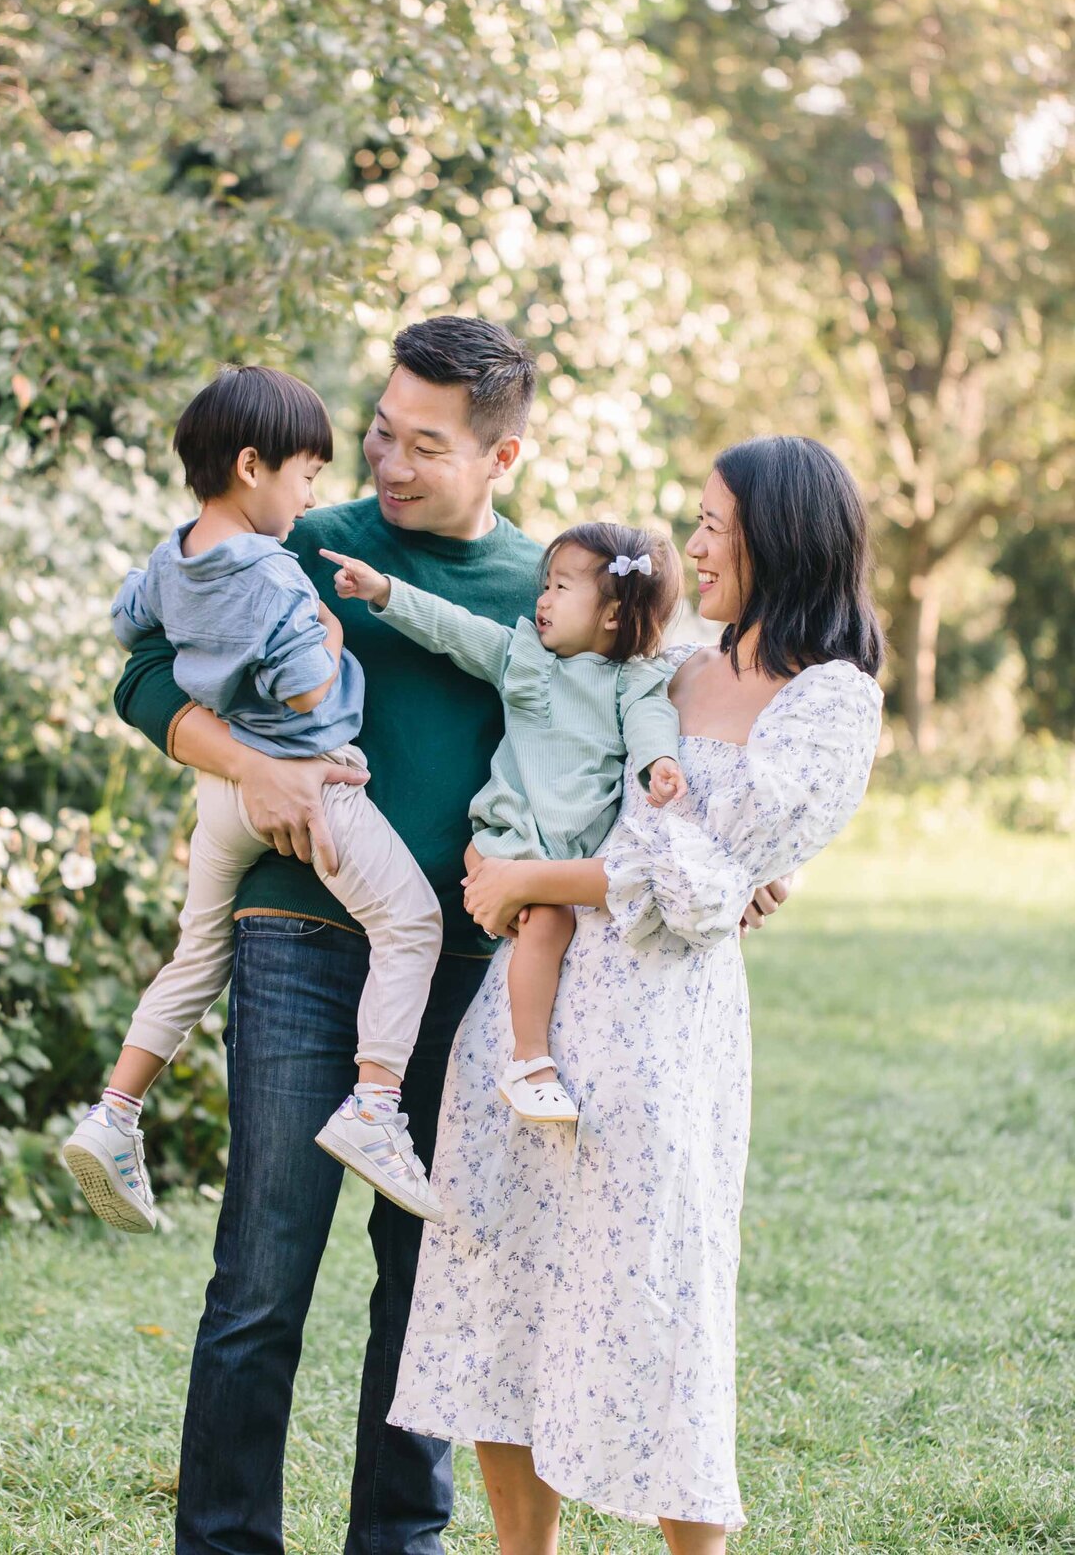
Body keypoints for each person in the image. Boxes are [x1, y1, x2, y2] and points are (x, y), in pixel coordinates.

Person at [112, 316, 787, 1555]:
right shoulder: (301, 544)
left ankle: (400, 1546)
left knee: (427, 1285)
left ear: (503, 455)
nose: (389, 462)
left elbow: (645, 756)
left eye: (425, 445)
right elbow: (144, 674)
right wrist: (248, 765)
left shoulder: (553, 595)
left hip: (475, 973)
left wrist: (728, 873)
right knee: (262, 1276)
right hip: (301, 936)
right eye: (378, 432)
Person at [388, 435, 885, 1555]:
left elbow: (698, 886)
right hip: (535, 1011)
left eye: (716, 525)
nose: (695, 545)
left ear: (781, 536)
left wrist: (541, 879)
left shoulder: (832, 702)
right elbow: (585, 780)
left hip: (663, 1033)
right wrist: (519, 864)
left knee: (660, 1303)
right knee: (504, 1288)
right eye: (699, 522)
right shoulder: (674, 664)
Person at [61, 365, 446, 1231]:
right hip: (310, 787)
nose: (309, 499)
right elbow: (310, 695)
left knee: (197, 954)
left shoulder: (173, 554)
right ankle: (376, 1107)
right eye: (305, 475)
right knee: (411, 923)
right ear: (250, 466)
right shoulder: (276, 578)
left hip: (224, 794)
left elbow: (131, 623)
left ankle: (115, 1113)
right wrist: (334, 636)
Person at [321, 522, 686, 1123]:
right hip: (504, 839)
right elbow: (451, 630)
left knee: (557, 929)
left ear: (615, 615)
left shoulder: (634, 682)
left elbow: (652, 723)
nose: (541, 598)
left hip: (564, 859)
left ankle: (527, 1051)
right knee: (548, 923)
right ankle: (529, 1061)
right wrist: (384, 589)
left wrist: (661, 764)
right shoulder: (525, 661)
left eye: (561, 587)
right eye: (545, 583)